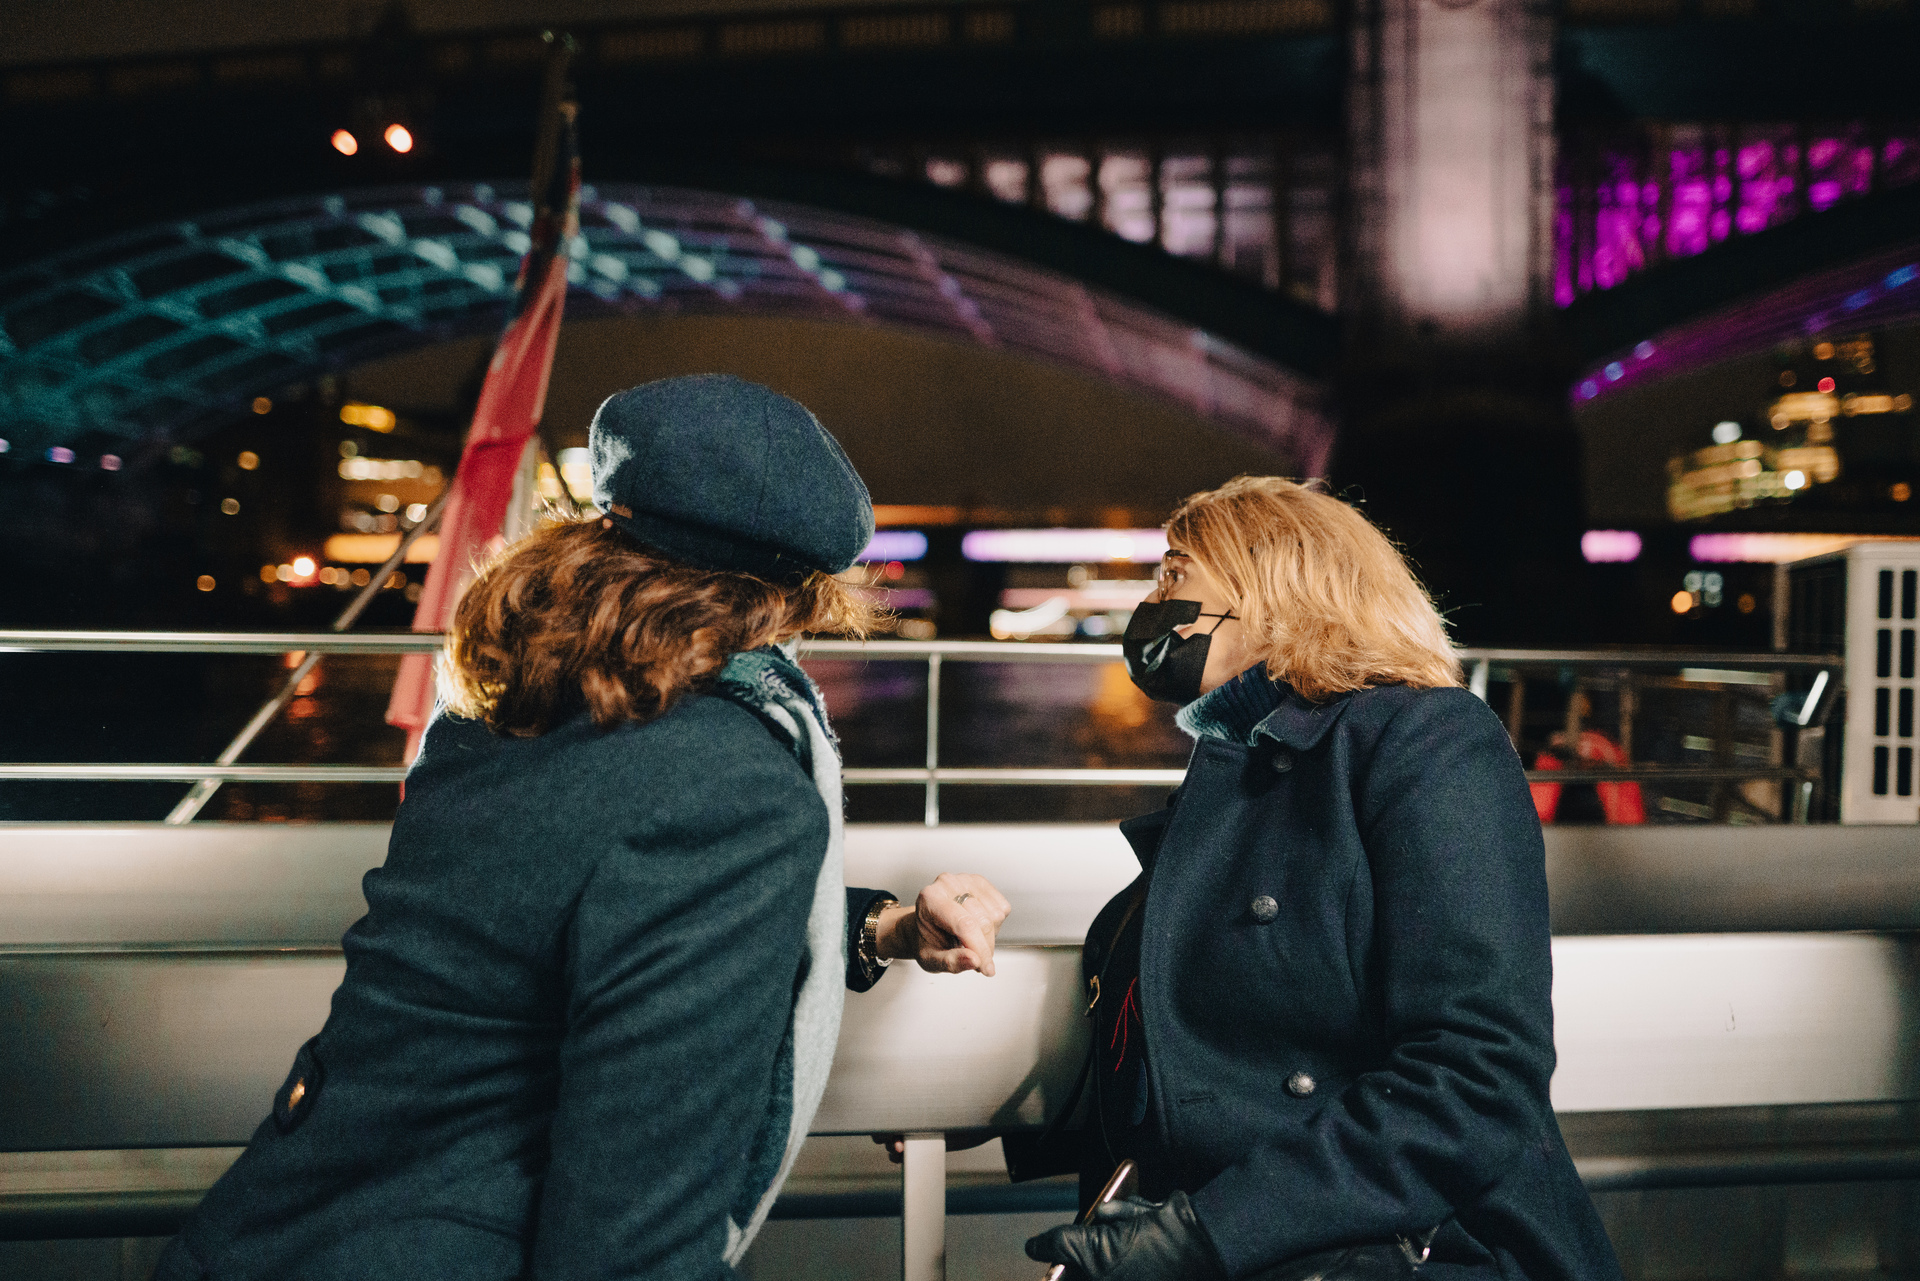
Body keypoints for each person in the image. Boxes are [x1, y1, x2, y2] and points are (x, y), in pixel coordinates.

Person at [153, 374, 1011, 1281]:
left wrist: (881, 929)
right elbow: (631, 1242)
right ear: (794, 598)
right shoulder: (729, 785)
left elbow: (583, 915)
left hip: (272, 1234)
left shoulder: (502, 705)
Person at [1018, 477, 1621, 1281]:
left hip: (1421, 1251)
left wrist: (1209, 1234)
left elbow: (1477, 1076)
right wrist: (977, 1108)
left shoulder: (1425, 737)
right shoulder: (1234, 771)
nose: (1152, 603)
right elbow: (1181, 1047)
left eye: (1174, 574)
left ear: (1272, 583)